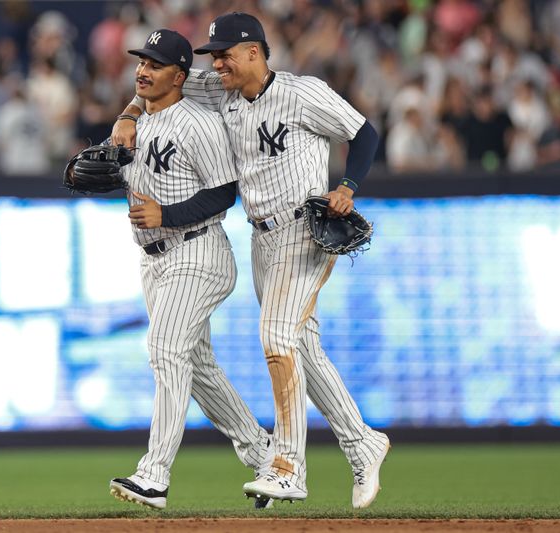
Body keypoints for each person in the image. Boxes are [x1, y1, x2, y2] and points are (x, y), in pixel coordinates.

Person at [112, 12, 390, 509]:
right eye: (212, 55)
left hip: (305, 230)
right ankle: (361, 441)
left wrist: (348, 186)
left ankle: (288, 467)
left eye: (224, 54)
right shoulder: (218, 89)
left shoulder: (303, 92)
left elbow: (364, 133)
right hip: (262, 239)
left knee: (277, 338)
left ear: (254, 53)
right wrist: (129, 116)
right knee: (300, 344)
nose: (215, 62)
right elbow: (155, 81)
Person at [107, 28, 274, 510]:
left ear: (179, 75)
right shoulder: (134, 121)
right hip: (154, 259)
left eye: (155, 64)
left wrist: (168, 214)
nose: (143, 70)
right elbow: (115, 173)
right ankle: (264, 453)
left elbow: (225, 191)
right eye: (142, 61)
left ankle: (154, 475)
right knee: (196, 365)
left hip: (197, 252)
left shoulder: (197, 122)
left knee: (164, 348)